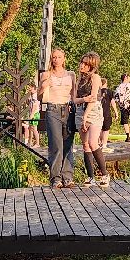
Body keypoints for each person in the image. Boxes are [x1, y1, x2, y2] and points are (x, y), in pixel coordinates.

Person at [38, 48, 76, 188]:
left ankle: (68, 176)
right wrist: (43, 87)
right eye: (54, 57)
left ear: (64, 58)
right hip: (53, 109)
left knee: (68, 145)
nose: (56, 60)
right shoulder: (46, 75)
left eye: (59, 57)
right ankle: (55, 178)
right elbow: (38, 96)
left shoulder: (71, 75)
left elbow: (74, 94)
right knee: (56, 145)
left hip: (68, 109)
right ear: (51, 59)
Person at [73, 53, 107, 188]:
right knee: (85, 144)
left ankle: (104, 174)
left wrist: (86, 116)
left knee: (93, 142)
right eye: (82, 62)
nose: (82, 65)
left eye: (86, 64)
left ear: (91, 66)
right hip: (80, 109)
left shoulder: (95, 77)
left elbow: (93, 98)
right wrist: (83, 101)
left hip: (93, 111)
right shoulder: (79, 78)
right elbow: (74, 99)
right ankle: (90, 177)